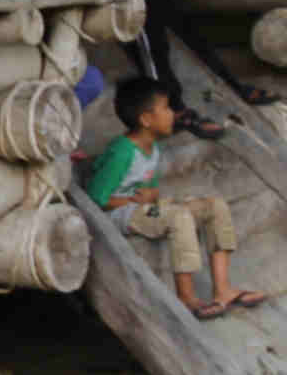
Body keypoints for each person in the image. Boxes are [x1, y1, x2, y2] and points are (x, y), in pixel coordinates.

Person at [87, 77, 266, 319]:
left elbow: (150, 190)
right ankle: (186, 297)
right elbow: (96, 198)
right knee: (179, 217)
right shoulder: (122, 151)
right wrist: (133, 202)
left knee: (214, 206)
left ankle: (223, 289)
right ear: (146, 119)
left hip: (143, 209)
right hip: (121, 215)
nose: (172, 113)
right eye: (166, 108)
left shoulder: (152, 148)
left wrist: (151, 195)